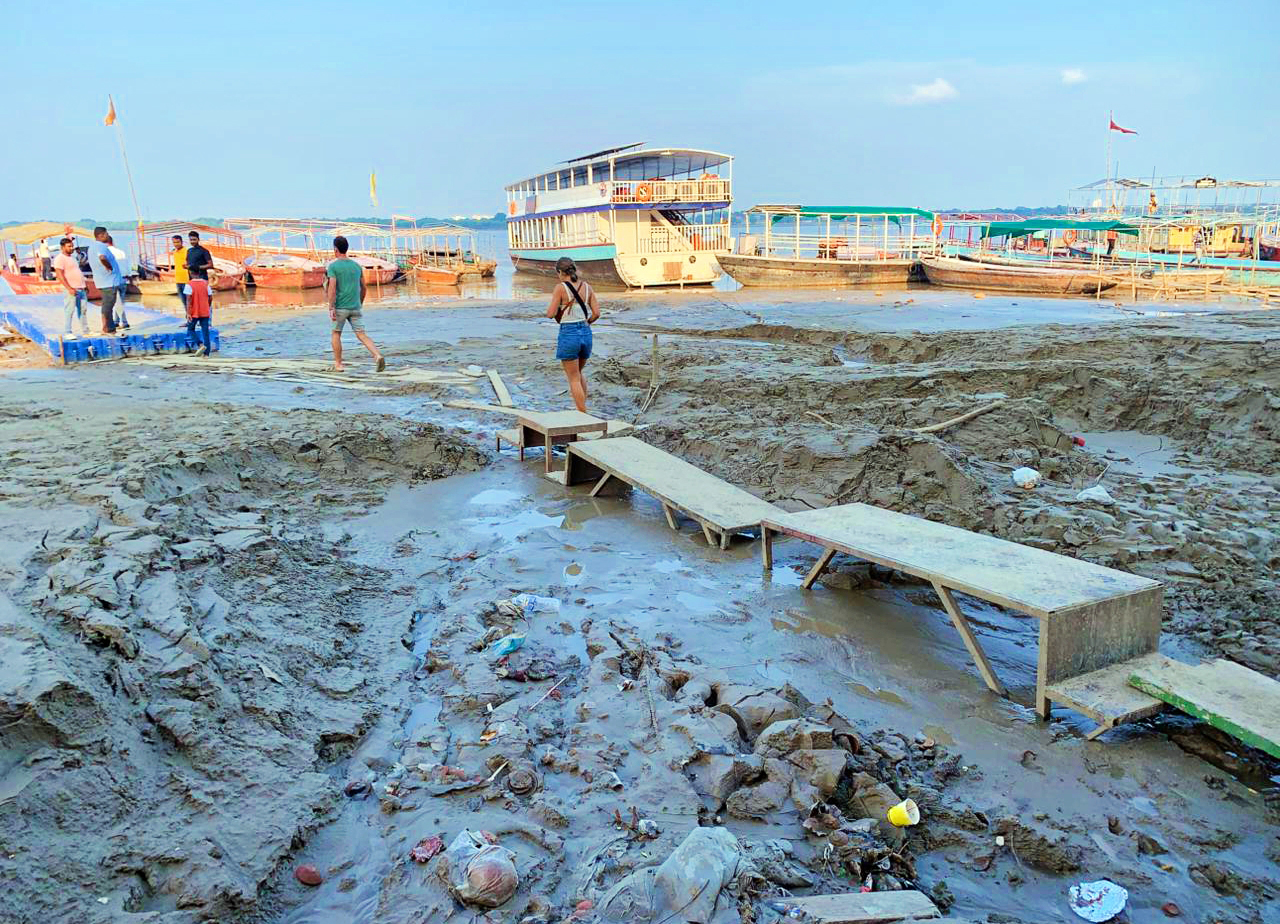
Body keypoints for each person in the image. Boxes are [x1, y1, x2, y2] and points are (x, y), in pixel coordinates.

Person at [545, 256, 599, 413]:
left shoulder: (560, 288)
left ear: (560, 272)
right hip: (585, 331)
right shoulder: (587, 287)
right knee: (579, 373)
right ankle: (583, 407)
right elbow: (597, 313)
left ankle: (582, 414)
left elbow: (550, 314)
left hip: (569, 333)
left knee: (573, 378)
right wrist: (586, 323)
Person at [326, 235, 385, 372]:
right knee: (362, 334)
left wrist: (331, 307)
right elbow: (364, 287)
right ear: (346, 249)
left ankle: (339, 364)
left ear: (335, 249)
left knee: (336, 334)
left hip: (340, 307)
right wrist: (360, 302)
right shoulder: (356, 266)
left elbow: (332, 288)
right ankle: (377, 355)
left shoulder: (333, 267)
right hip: (355, 306)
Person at [52, 237, 90, 339]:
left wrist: (85, 285)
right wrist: (69, 288)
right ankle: (67, 332)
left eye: (72, 246)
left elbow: (77, 272)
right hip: (71, 289)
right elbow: (60, 275)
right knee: (69, 310)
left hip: (81, 288)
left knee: (83, 310)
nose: (72, 248)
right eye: (69, 246)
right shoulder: (59, 259)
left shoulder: (73, 258)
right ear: (62, 247)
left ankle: (85, 331)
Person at [87, 226, 121, 334]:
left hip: (102, 280)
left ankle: (107, 327)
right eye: (106, 234)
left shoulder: (92, 247)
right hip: (108, 281)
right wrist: (109, 267)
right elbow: (102, 257)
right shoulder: (101, 246)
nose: (108, 236)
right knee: (108, 305)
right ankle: (109, 328)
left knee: (107, 304)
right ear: (101, 235)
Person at [185, 271, 213, 357]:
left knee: (190, 329)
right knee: (205, 332)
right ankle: (206, 354)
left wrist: (188, 313)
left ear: (190, 273)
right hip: (205, 311)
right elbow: (210, 297)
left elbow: (188, 300)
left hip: (194, 312)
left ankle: (200, 344)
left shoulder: (189, 284)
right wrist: (207, 306)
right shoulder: (205, 284)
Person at [106, 234, 131, 332]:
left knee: (117, 302)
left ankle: (124, 322)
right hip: (124, 279)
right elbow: (127, 266)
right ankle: (116, 321)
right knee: (120, 301)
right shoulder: (121, 252)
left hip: (114, 279)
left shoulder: (107, 253)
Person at [171, 234, 189, 311]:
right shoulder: (175, 252)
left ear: (182, 242)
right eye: (174, 242)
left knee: (189, 302)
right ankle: (189, 320)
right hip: (178, 280)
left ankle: (193, 320)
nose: (176, 244)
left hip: (187, 280)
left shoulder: (187, 251)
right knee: (184, 302)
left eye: (178, 242)